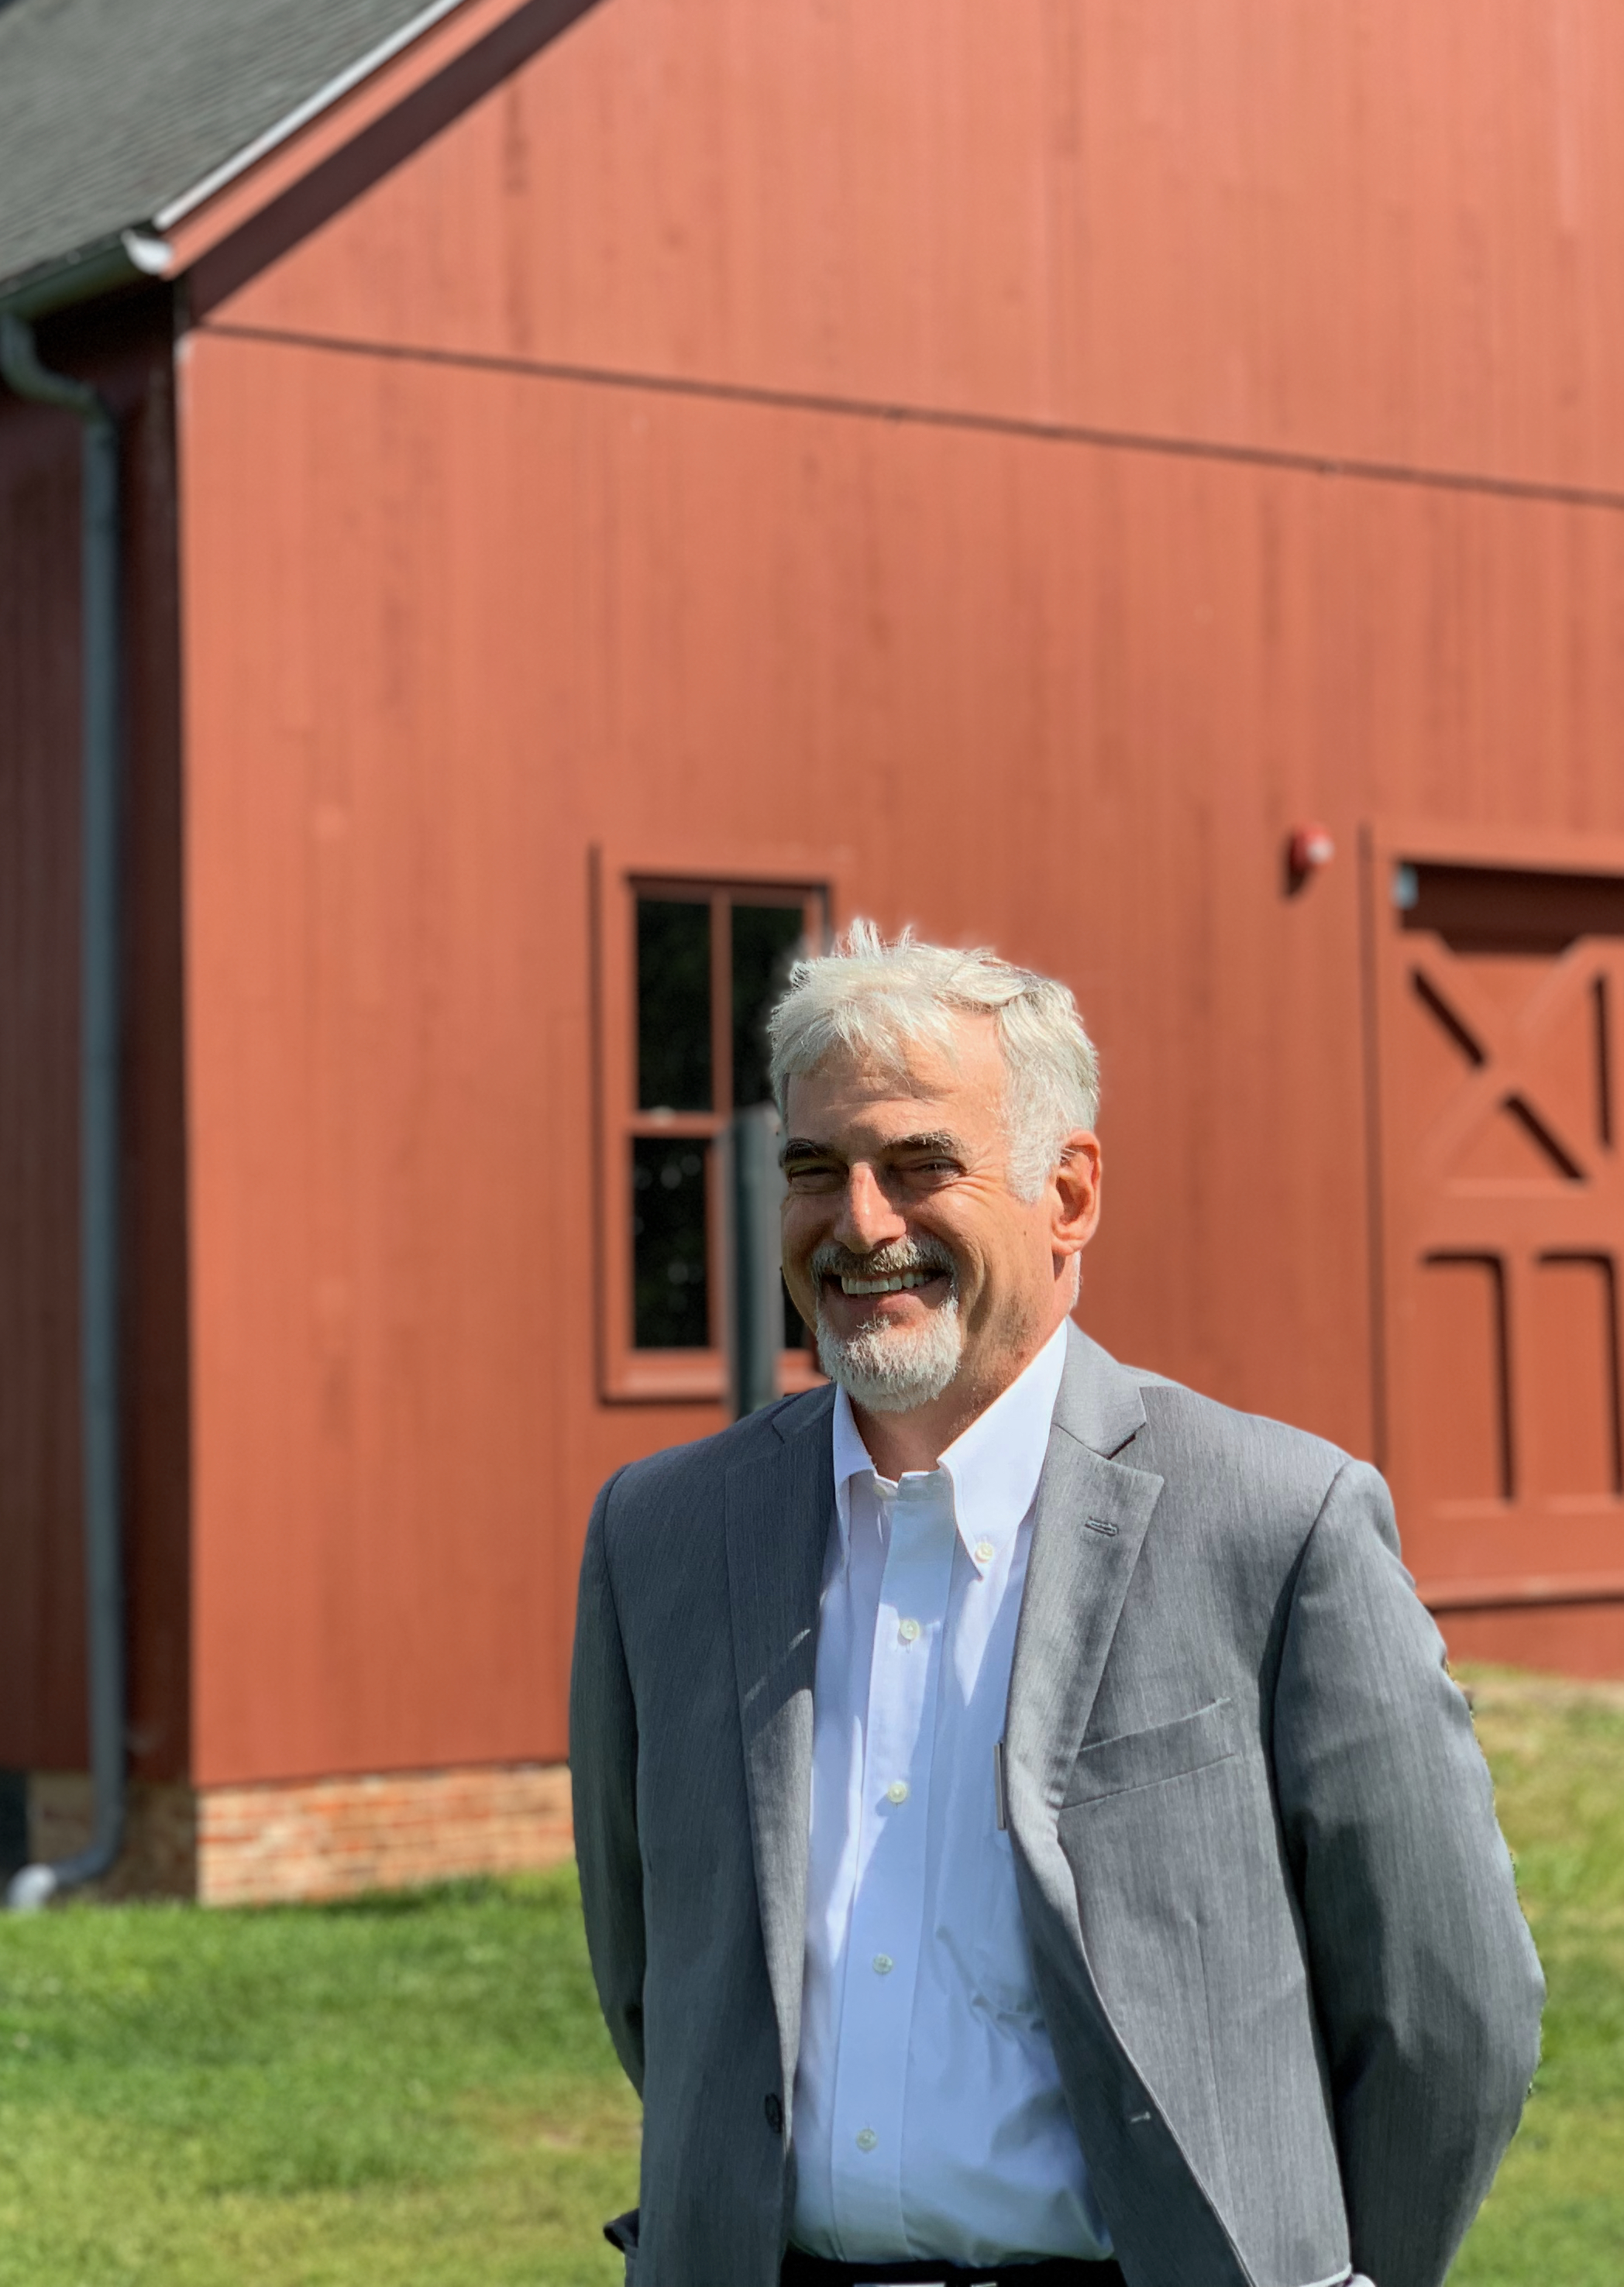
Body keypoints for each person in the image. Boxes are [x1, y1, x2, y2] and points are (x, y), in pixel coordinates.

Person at [569, 923, 1543, 2287]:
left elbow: (1451, 2011)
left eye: (921, 1167)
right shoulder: (660, 1536)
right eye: (814, 1171)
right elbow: (652, 1987)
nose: (860, 1225)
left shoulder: (1274, 1521)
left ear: (1067, 1193)